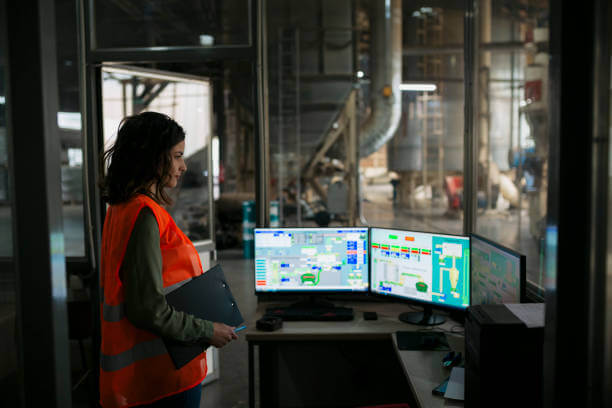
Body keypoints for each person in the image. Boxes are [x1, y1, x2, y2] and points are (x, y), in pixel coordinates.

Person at [98, 112, 237, 408]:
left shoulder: (122, 209)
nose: (183, 166)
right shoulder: (143, 214)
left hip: (152, 371)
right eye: (176, 156)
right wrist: (207, 329)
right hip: (164, 376)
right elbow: (148, 309)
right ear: (152, 157)